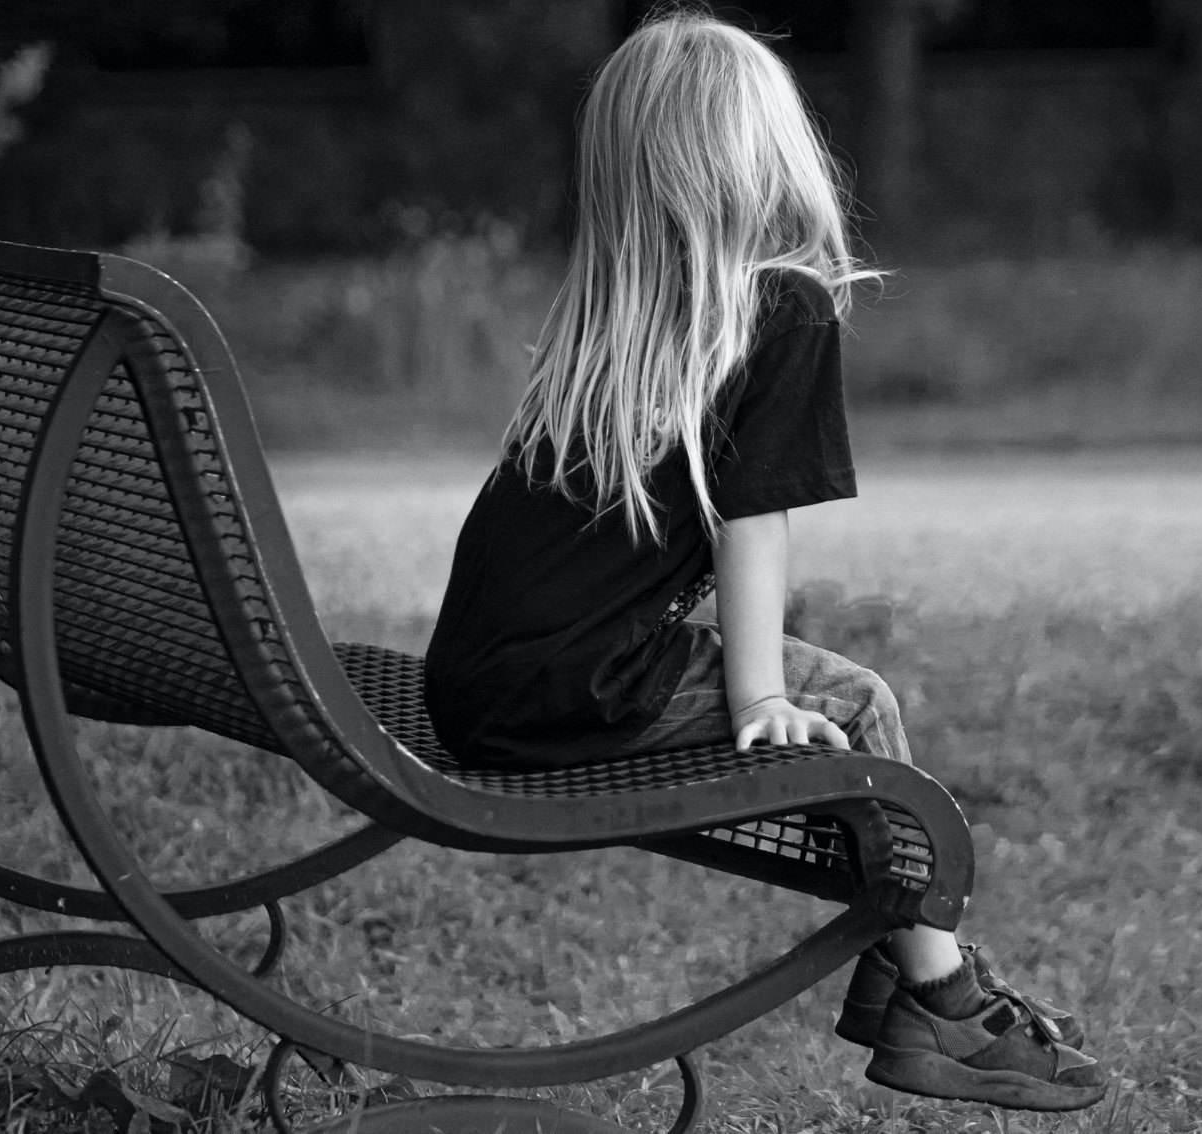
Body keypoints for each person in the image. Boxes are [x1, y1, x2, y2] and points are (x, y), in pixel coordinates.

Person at [424, 7, 1108, 1112]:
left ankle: (920, 1001)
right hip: (578, 687)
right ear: (758, 150)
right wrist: (758, 693)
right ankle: (947, 1010)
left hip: (477, 685)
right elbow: (755, 519)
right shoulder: (777, 304)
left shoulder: (612, 316)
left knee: (842, 701)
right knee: (856, 700)